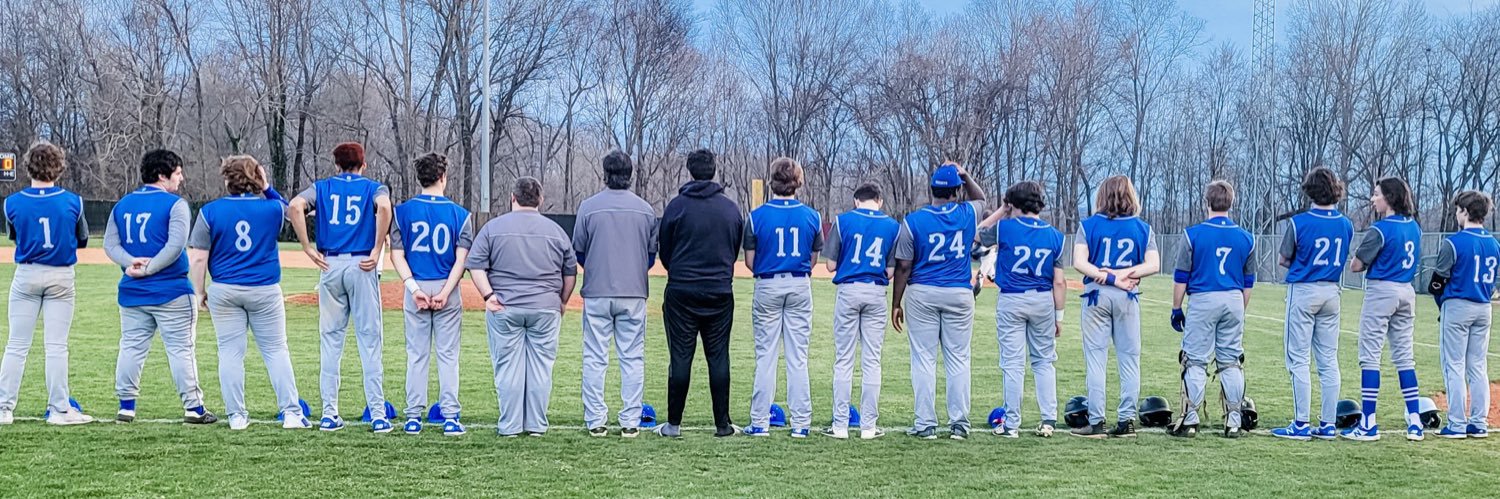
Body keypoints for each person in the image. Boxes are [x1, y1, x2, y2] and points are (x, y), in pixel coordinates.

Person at [189, 155, 309, 430]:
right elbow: (294, 212)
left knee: (230, 353)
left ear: (227, 178)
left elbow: (197, 257)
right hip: (264, 289)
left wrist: (199, 291)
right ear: (257, 176)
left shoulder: (210, 211)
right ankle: (291, 413)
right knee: (276, 350)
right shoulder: (271, 209)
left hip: (225, 288)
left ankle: (237, 416)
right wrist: (267, 188)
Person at [289, 142, 393, 433]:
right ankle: (378, 413)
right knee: (370, 340)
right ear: (363, 164)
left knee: (331, 342)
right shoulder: (373, 187)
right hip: (362, 264)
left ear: (336, 164)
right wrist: (376, 248)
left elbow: (296, 205)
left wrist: (307, 247)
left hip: (330, 265)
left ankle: (329, 413)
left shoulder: (322, 187)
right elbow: (384, 208)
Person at [105, 149, 215, 425]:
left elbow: (110, 244)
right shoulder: (175, 205)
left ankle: (126, 406)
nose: (181, 178)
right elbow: (176, 245)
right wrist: (149, 268)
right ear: (162, 175)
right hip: (172, 291)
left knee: (131, 348)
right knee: (181, 350)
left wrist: (132, 265)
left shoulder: (122, 205)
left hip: (132, 291)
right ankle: (193, 407)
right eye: (177, 173)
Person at [466, 177, 577, 437]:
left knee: (508, 368)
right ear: (540, 200)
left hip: (505, 305)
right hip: (545, 307)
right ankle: (536, 425)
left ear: (512, 198)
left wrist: (488, 295)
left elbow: (476, 265)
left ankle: (510, 425)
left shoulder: (493, 228)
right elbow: (570, 271)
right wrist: (561, 300)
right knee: (541, 367)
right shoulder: (556, 231)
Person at [891, 162, 986, 440]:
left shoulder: (913, 220)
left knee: (923, 360)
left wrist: (897, 302)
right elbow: (981, 198)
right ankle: (959, 424)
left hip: (923, 292)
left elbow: (904, 266)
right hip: (958, 292)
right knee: (958, 360)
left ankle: (925, 424)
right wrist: (965, 174)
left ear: (930, 190)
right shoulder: (966, 212)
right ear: (956, 191)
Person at [0, 141, 92, 426]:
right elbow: (83, 239)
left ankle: (3, 407)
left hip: (27, 273)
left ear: (29, 166)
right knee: (56, 346)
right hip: (61, 275)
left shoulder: (12, 202)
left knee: (16, 345)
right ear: (59, 167)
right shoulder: (73, 201)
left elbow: (13, 236)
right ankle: (59, 409)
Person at [656, 149, 744, 438]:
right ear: (714, 170)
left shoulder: (676, 206)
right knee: (718, 356)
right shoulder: (730, 209)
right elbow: (733, 249)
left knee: (681, 357)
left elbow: (665, 251)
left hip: (682, 290)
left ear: (690, 171)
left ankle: (673, 424)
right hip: (719, 290)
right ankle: (722, 424)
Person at [573, 151, 657, 439]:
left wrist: (598, 268)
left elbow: (580, 250)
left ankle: (596, 419)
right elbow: (650, 255)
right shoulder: (645, 209)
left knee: (595, 357)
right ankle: (631, 420)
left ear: (605, 173)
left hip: (597, 290)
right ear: (630, 175)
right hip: (634, 292)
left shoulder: (589, 207)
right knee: (632, 358)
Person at [1069, 175, 1159, 438]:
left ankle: (1096, 422)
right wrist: (1125, 275)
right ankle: (1127, 421)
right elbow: (1153, 264)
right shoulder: (1143, 228)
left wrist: (1112, 276)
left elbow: (1079, 262)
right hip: (1128, 296)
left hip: (1097, 294)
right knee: (1129, 359)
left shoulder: (1089, 225)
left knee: (1096, 359)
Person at [390, 153, 472, 436]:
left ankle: (413, 417)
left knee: (416, 354)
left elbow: (397, 255)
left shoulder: (402, 212)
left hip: (417, 287)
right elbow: (461, 261)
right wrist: (447, 292)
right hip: (446, 287)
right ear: (443, 177)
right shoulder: (461, 215)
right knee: (448, 355)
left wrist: (413, 288)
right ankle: (450, 417)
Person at [1168, 180, 1255, 439]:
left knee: (1194, 359)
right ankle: (1233, 421)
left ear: (1207, 203)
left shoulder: (1193, 235)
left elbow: (1181, 277)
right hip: (1234, 299)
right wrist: (1240, 309)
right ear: (1231, 203)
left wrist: (1176, 308)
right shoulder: (1246, 238)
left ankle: (1191, 419)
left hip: (1204, 298)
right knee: (1231, 361)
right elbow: (1248, 283)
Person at [1271, 167, 1352, 441]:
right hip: (1332, 291)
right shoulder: (1346, 223)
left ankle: (1301, 423)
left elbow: (1283, 259)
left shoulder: (1299, 223)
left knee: (1298, 358)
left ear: (1310, 191)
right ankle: (1328, 424)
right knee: (1328, 360)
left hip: (1304, 290)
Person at [744, 157, 823, 438]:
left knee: (766, 356)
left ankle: (760, 422)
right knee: (797, 357)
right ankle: (801, 423)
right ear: (797, 182)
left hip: (767, 284)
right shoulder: (812, 216)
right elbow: (814, 259)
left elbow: (750, 262)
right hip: (800, 284)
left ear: (772, 181)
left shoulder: (756, 216)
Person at [980, 181, 1065, 438]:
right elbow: (1059, 281)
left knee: (1013, 363)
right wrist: (1058, 316)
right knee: (1044, 361)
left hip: (1012, 299)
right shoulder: (1054, 235)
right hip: (1043, 300)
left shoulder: (1005, 228)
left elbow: (977, 232)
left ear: (1013, 203)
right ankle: (1048, 419)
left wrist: (1002, 211)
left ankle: (1012, 423)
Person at [1346, 177, 1423, 441]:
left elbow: (1356, 265)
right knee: (1404, 357)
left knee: (1370, 356)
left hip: (1382, 291)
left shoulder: (1380, 229)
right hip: (1406, 291)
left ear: (1389, 198)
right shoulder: (1414, 227)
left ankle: (1368, 423)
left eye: (1376, 194)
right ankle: (1415, 421)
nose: (1373, 198)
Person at [823, 182, 899, 440]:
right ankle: (868, 426)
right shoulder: (892, 225)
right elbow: (890, 272)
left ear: (856, 201)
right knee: (872, 360)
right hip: (876, 290)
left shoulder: (842, 221)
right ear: (879, 201)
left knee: (844, 359)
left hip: (848, 289)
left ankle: (840, 425)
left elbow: (831, 265)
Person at [1428, 190, 1497, 439]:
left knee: (1454, 365)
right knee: (1478, 366)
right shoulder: (1494, 244)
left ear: (1465, 212)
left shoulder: (1454, 243)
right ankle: (1478, 422)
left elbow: (1436, 283)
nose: (1456, 214)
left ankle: (1456, 423)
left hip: (1458, 304)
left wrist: (1442, 304)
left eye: (1458, 210)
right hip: (1484, 306)